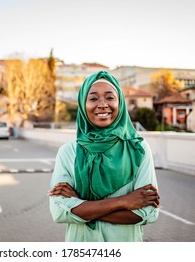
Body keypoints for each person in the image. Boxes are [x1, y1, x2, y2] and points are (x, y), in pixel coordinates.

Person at [48, 70, 159, 242]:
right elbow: (59, 212)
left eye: (110, 97)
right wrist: (123, 201)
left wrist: (81, 205)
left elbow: (147, 213)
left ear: (120, 103)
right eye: (93, 98)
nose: (102, 104)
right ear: (83, 106)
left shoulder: (138, 149)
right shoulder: (68, 152)